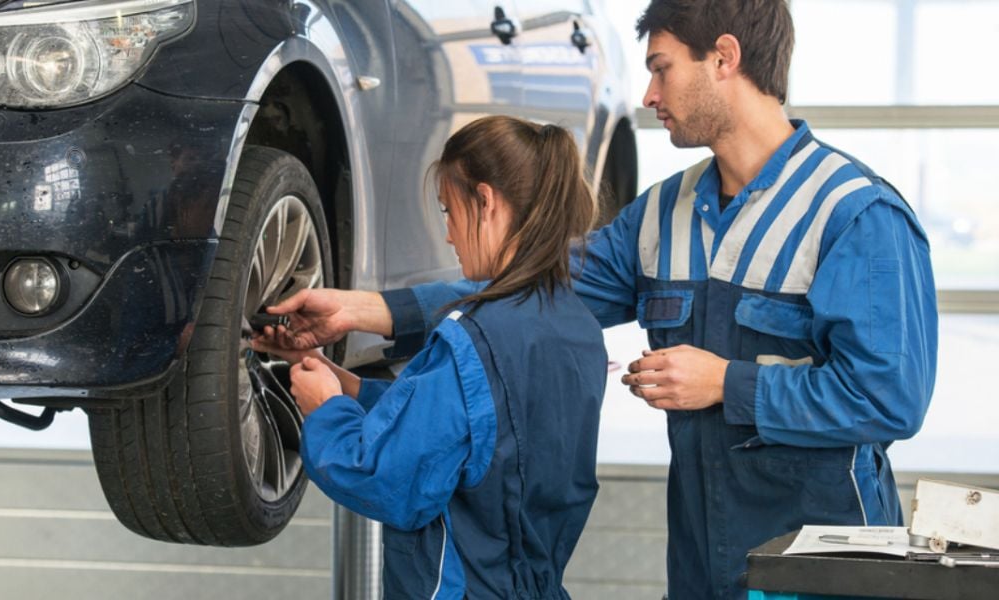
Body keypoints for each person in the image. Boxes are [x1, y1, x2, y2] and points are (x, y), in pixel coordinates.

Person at [259, 1, 939, 598]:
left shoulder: (854, 215)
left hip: (818, 565)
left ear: (723, 59)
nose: (646, 94)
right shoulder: (663, 215)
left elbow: (888, 396)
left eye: (662, 67)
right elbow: (528, 289)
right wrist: (369, 311)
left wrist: (724, 384)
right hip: (702, 561)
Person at [255, 116, 609, 598]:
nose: (448, 235)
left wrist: (327, 409)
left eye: (449, 211)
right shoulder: (577, 327)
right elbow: (475, 432)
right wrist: (342, 383)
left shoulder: (477, 335)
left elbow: (383, 479)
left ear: (485, 202)